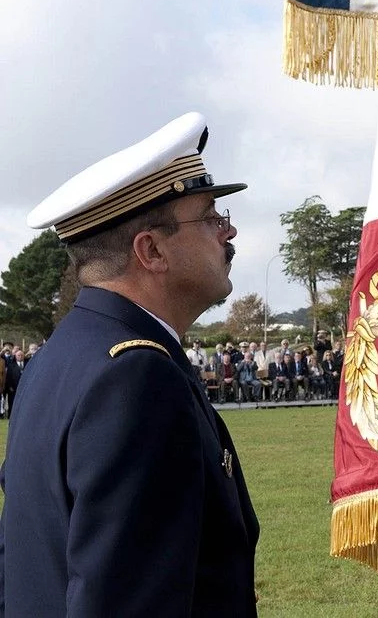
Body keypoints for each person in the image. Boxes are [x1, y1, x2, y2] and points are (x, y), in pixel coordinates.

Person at [0, 113, 259, 616]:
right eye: (210, 215)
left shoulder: (61, 357)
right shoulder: (136, 377)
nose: (228, 230)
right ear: (152, 250)